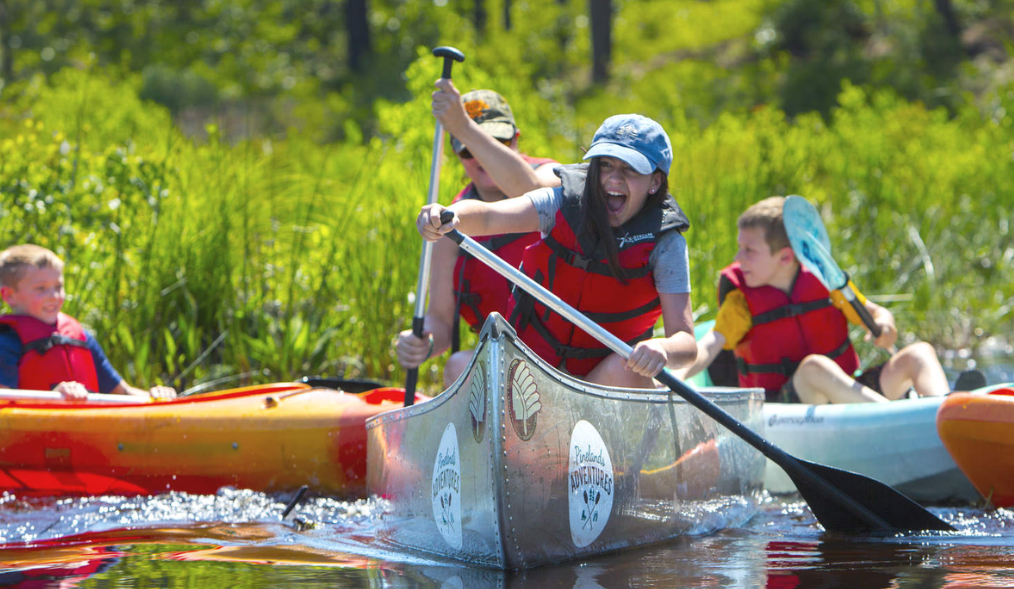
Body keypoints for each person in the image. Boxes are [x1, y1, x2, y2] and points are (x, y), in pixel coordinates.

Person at [416, 114, 698, 388]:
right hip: (535, 370)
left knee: (629, 371)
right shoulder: (561, 202)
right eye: (606, 165)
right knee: (458, 367)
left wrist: (662, 348)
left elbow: (685, 342)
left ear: (655, 182)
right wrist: (450, 215)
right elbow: (489, 217)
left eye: (630, 169)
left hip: (602, 382)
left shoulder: (666, 244)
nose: (614, 179)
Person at [677, 197, 949, 403]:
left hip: (847, 396)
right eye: (740, 247)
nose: (738, 258)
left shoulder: (825, 281)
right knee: (813, 368)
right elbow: (705, 350)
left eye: (749, 250)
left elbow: (876, 313)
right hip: (787, 410)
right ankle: (899, 418)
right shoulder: (740, 303)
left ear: (785, 257)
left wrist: (885, 326)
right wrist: (673, 377)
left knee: (919, 353)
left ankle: (945, 415)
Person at [395, 83, 560, 384]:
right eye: (469, 149)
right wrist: (423, 343)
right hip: (509, 360)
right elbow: (442, 323)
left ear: (516, 139)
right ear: (456, 154)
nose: (482, 157)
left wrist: (465, 128)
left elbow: (536, 195)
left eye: (496, 140)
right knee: (458, 364)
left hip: (570, 354)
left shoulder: (553, 176)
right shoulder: (449, 222)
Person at [0, 244, 177, 401]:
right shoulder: (5, 343)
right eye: (41, 288)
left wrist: (154, 397)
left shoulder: (81, 338)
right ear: (10, 296)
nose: (54, 296)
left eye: (59, 286)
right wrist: (54, 397)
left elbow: (123, 392)